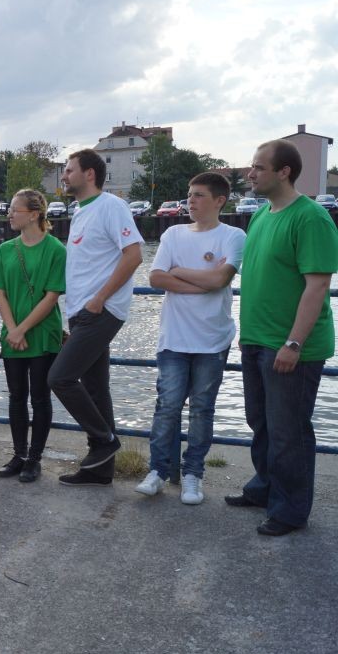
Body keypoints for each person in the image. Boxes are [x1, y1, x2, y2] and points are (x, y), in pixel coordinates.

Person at [227, 139, 338, 536]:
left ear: (284, 172)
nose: (250, 173)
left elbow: (317, 285)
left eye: (258, 167)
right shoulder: (261, 214)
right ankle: (265, 487)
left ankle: (290, 510)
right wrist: (248, 336)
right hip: (256, 339)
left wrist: (294, 343)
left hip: (290, 346)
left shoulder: (310, 218)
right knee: (261, 422)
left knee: (289, 430)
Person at [136, 173, 245, 505]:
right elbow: (156, 277)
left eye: (198, 195)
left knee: (202, 410)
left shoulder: (234, 235)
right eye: (189, 194)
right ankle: (157, 470)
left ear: (219, 201)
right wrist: (203, 281)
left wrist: (179, 271)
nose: (190, 201)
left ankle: (193, 474)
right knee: (167, 406)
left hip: (212, 340)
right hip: (174, 338)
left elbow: (220, 280)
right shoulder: (173, 233)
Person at [49, 148, 143, 486]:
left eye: (69, 170)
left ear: (89, 174)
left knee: (59, 378)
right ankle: (100, 469)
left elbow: (134, 256)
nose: (64, 176)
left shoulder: (111, 206)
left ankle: (104, 441)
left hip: (101, 311)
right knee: (95, 388)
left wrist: (100, 298)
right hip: (80, 312)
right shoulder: (80, 211)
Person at [0, 190, 66, 483]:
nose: (9, 214)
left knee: (40, 397)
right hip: (13, 336)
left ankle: (34, 458)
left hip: (43, 334)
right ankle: (19, 454)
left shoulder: (55, 249)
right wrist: (12, 329)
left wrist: (21, 329)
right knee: (16, 396)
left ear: (34, 215)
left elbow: (51, 296)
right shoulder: (5, 250)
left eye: (15, 209)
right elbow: (0, 293)